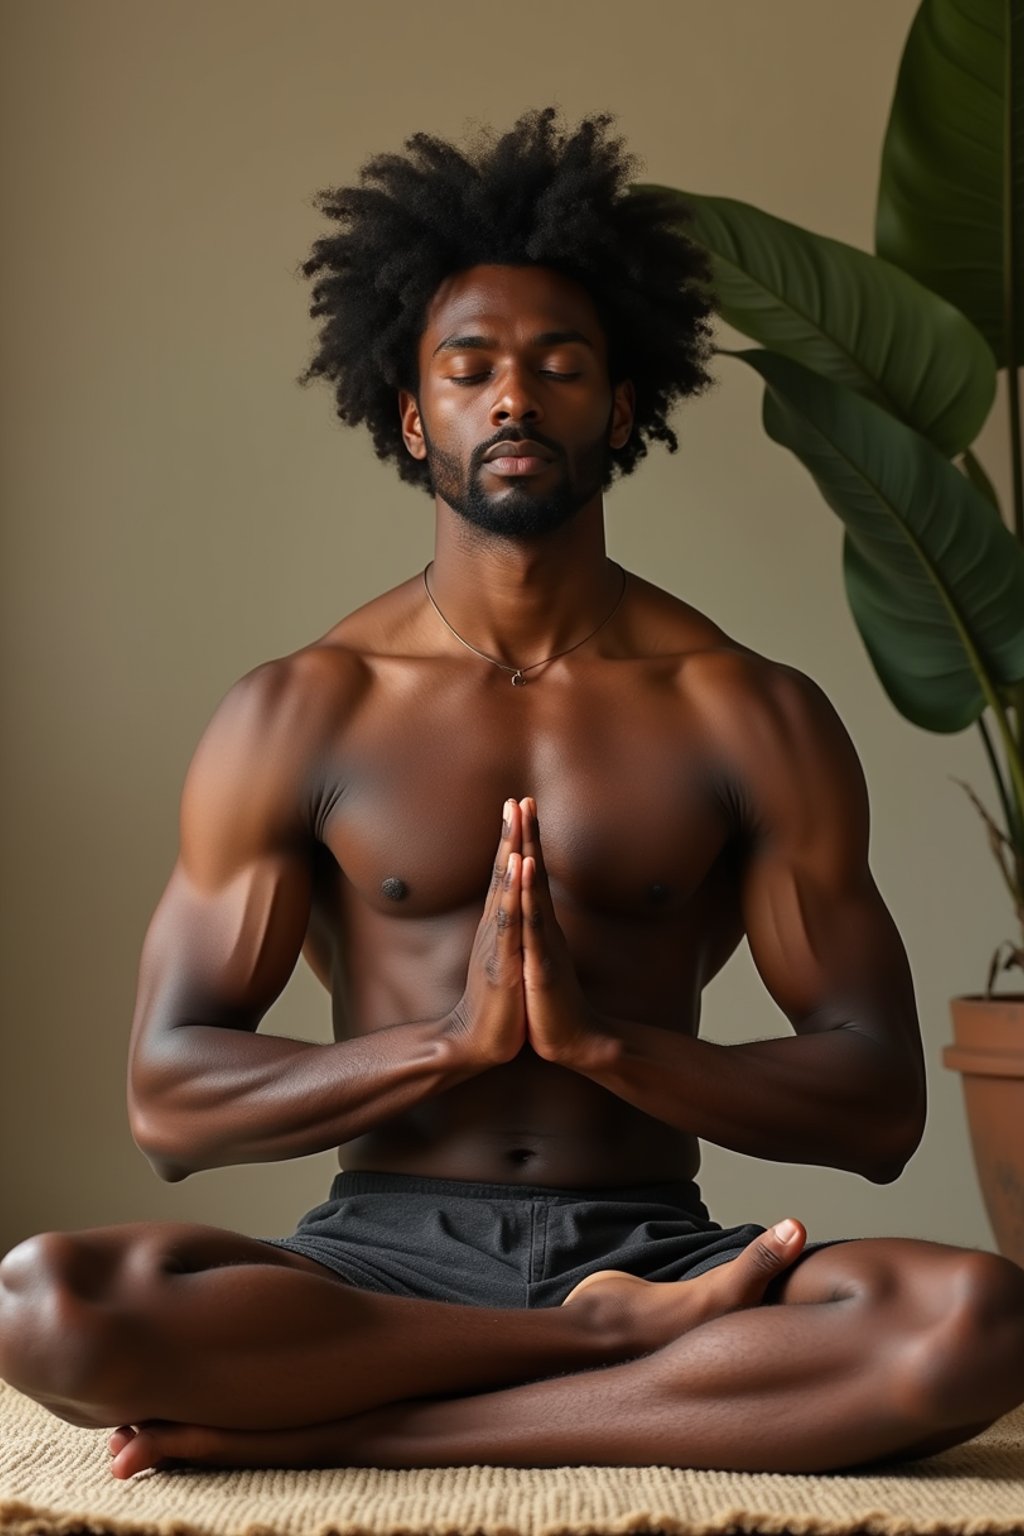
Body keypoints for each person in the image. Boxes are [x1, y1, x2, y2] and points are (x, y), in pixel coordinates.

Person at [2, 106, 1023, 1481]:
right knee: (44, 1307)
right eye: (470, 368)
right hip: (374, 1265)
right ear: (411, 411)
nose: (513, 398)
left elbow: (878, 1100)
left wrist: (611, 1048)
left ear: (619, 404)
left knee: (975, 1325)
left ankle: (367, 1424)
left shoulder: (748, 709)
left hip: (656, 1239)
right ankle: (612, 1356)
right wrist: (448, 1045)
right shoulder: (304, 709)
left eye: (557, 366)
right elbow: (173, 1102)